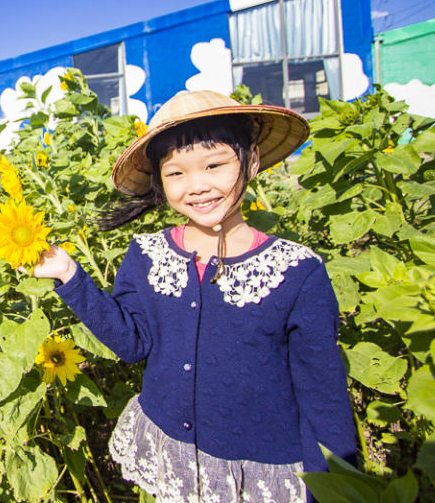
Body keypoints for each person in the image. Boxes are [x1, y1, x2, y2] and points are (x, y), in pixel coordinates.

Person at [32, 90, 357, 503]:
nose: (197, 186)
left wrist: (336, 489)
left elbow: (323, 397)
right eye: (176, 173)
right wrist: (69, 275)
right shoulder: (148, 254)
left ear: (251, 161)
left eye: (215, 164)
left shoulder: (296, 272)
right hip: (173, 456)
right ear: (159, 181)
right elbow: (133, 342)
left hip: (260, 470)